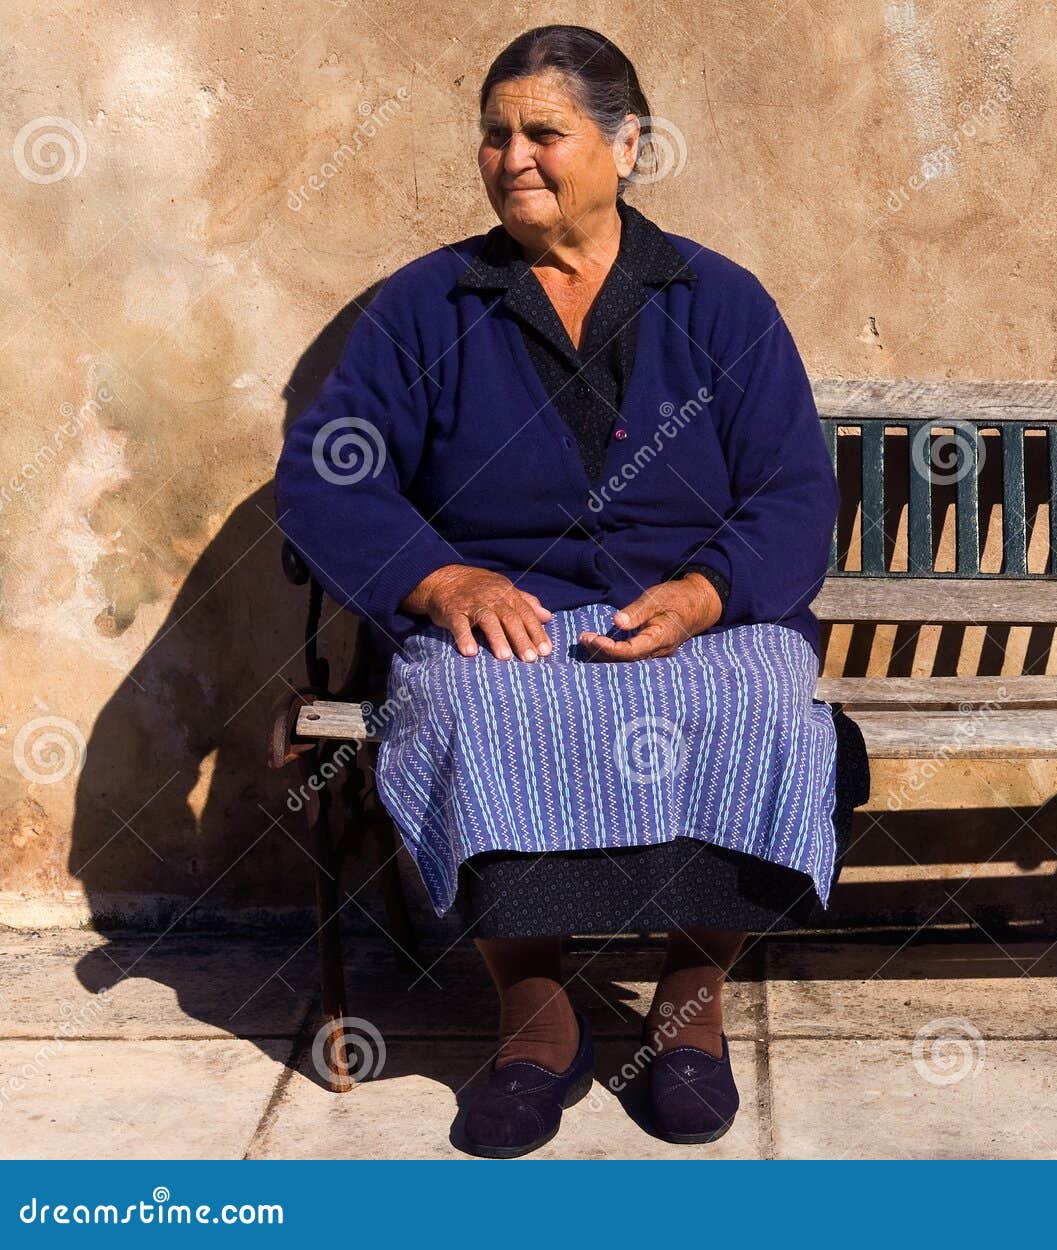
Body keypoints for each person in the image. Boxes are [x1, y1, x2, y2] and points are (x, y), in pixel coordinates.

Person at [274, 23, 864, 1157]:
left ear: (626, 144)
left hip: (696, 611)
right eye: (493, 136)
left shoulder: (718, 301)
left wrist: (707, 592)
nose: (513, 158)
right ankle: (536, 1025)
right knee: (467, 703)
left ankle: (689, 1014)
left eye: (542, 131)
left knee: (759, 701)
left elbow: (794, 490)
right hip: (510, 615)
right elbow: (324, 474)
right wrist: (439, 578)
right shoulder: (429, 304)